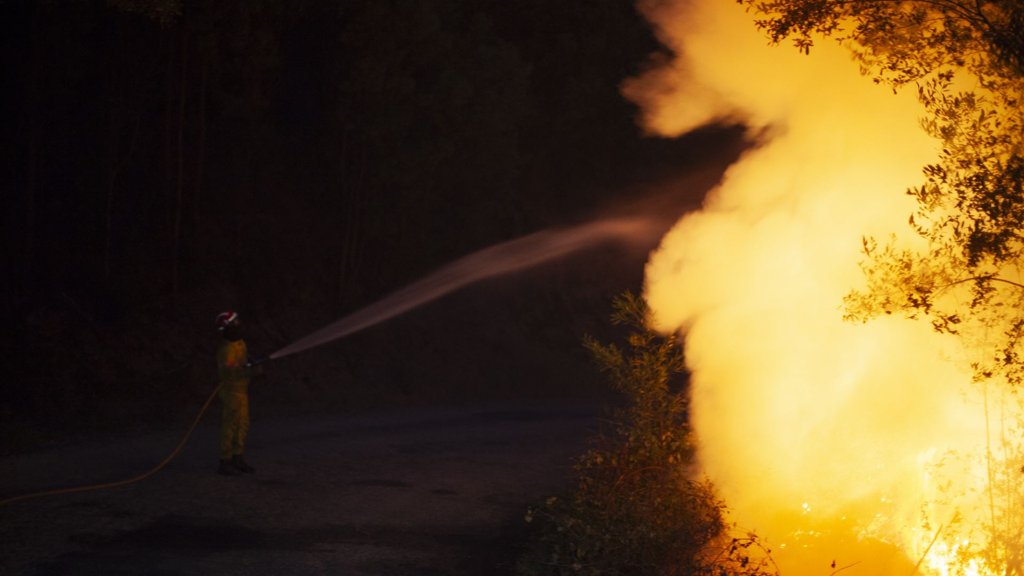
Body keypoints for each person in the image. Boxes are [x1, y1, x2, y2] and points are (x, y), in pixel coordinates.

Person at [214, 311, 258, 476]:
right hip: (231, 391)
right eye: (235, 323)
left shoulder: (240, 343)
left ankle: (237, 457)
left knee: (242, 425)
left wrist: (254, 366)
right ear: (227, 328)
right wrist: (245, 367)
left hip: (242, 390)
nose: (239, 326)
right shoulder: (226, 349)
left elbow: (244, 361)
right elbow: (230, 369)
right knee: (230, 426)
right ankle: (224, 461)